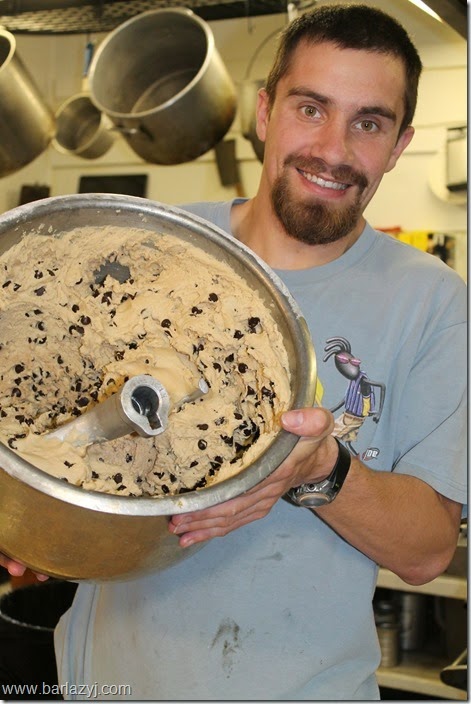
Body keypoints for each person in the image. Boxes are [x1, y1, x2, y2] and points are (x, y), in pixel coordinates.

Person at [2, 4, 466, 700]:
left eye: (367, 122)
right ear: (264, 111)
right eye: (310, 108)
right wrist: (38, 529)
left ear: (398, 145)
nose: (334, 149)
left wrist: (320, 468)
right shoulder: (149, 252)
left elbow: (428, 549)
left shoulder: (432, 302)